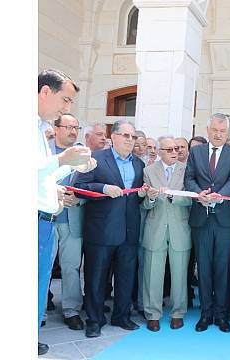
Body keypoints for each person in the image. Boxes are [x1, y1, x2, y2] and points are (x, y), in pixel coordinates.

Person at [37, 69, 94, 355]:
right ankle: (37, 321)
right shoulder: (39, 138)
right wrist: (63, 162)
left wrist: (71, 190)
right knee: (38, 277)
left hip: (62, 219)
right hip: (40, 219)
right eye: (65, 100)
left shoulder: (81, 153)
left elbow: (41, 178)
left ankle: (64, 314)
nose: (67, 108)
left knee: (64, 270)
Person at [74, 120, 146, 338]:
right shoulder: (96, 159)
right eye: (125, 135)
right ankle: (95, 320)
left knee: (126, 276)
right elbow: (78, 187)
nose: (129, 140)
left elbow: (138, 197)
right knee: (96, 277)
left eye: (132, 137)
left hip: (129, 230)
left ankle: (121, 316)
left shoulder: (139, 164)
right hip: (101, 230)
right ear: (113, 137)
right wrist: (103, 187)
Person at [185, 113, 230, 333]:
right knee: (204, 268)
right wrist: (198, 193)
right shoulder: (196, 152)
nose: (218, 135)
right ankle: (205, 314)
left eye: (222, 132)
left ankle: (221, 314)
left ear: (227, 133)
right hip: (201, 218)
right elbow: (189, 178)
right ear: (208, 130)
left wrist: (219, 196)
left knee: (223, 268)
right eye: (215, 131)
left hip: (225, 219)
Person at [141, 136, 193, 332]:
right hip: (155, 228)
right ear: (160, 152)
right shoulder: (148, 171)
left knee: (180, 274)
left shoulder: (186, 169)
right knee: (152, 273)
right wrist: (152, 199)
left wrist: (173, 196)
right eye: (169, 149)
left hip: (180, 227)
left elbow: (191, 200)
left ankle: (178, 313)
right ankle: (153, 314)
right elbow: (144, 204)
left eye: (177, 149)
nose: (175, 152)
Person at [49, 113, 86, 331]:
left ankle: (71, 310)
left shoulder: (83, 156)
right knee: (41, 267)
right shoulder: (44, 152)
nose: (73, 131)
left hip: (72, 219)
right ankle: (39, 310)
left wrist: (79, 198)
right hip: (47, 219)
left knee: (71, 267)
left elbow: (90, 184)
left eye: (76, 127)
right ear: (56, 129)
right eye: (68, 127)